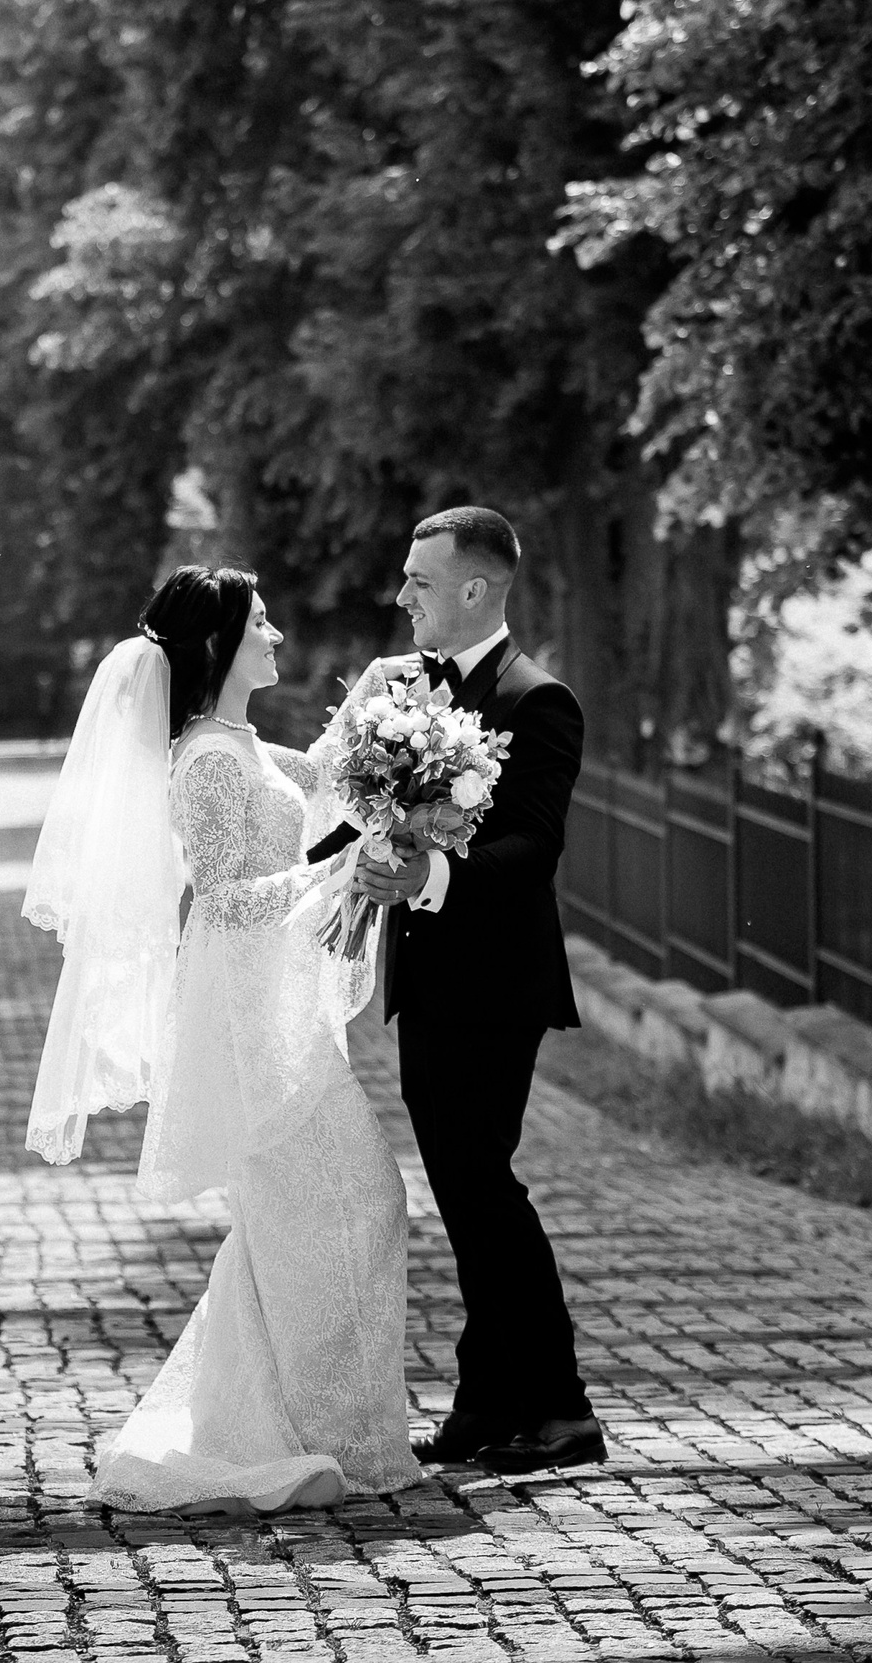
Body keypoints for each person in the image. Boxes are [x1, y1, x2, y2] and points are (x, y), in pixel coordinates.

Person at [21, 564, 422, 1515]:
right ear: (217, 645)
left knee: (311, 1213)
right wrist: (337, 876)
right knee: (352, 1198)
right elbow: (225, 895)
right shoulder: (203, 758)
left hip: (276, 1005)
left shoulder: (234, 739)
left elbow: (319, 778)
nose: (278, 634)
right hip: (245, 1016)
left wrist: (376, 690)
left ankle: (300, 1422)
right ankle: (319, 1431)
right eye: (261, 622)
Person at [314, 505, 604, 1477]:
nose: (402, 597)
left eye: (420, 581)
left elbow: (531, 848)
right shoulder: (404, 692)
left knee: (483, 1189)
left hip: (500, 984)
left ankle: (560, 1408)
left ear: (476, 589)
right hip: (431, 986)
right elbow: (353, 813)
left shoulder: (538, 701)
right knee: (466, 1192)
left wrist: (430, 881)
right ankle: (486, 1402)